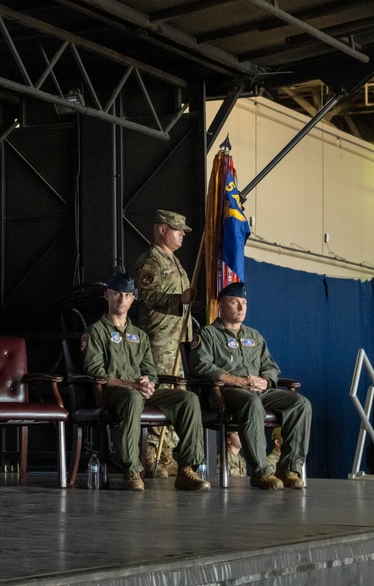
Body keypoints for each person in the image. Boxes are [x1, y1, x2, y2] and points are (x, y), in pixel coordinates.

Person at [82, 272, 210, 492]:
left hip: (140, 390)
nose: (122, 300)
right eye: (116, 294)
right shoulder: (96, 332)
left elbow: (151, 372)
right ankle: (131, 471)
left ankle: (187, 469)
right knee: (132, 397)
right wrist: (133, 385)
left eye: (127, 295)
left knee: (188, 399)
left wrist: (147, 382)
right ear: (107, 296)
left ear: (133, 299)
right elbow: (96, 373)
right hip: (112, 393)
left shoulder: (139, 336)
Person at [191, 282, 312, 490]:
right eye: (234, 302)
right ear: (221, 305)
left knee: (300, 403)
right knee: (251, 402)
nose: (241, 308)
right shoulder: (208, 334)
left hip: (258, 390)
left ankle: (289, 468)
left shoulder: (254, 336)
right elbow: (201, 366)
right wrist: (238, 381)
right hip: (226, 392)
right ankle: (261, 472)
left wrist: (265, 380)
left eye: (244, 303)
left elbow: (270, 366)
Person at [134, 210, 197, 478]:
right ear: (161, 230)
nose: (182, 234)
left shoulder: (177, 262)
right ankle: (150, 452)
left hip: (176, 342)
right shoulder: (152, 260)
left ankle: (167, 452)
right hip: (158, 341)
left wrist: (193, 331)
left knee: (176, 394)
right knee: (159, 394)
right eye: (177, 229)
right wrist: (179, 300)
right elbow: (148, 296)